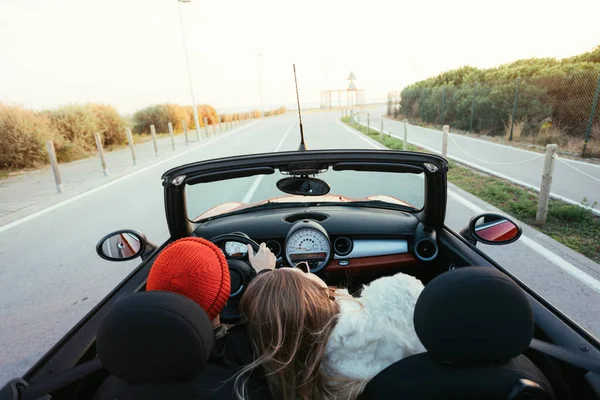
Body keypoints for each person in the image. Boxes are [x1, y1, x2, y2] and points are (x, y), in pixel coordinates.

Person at [234, 261, 425, 400]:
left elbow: (283, 319)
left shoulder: (294, 380)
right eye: (302, 270)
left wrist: (268, 286)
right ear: (316, 292)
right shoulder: (396, 298)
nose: (306, 268)